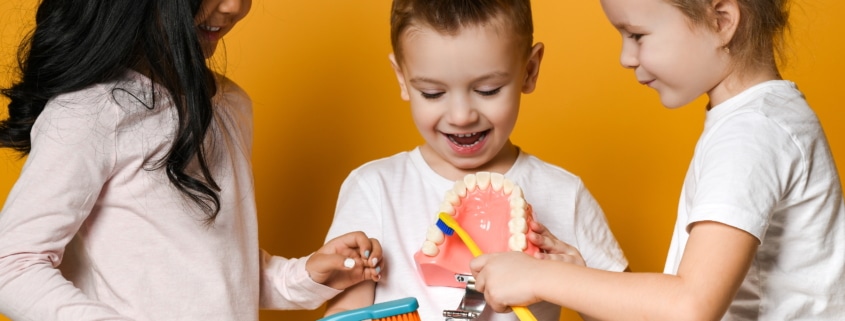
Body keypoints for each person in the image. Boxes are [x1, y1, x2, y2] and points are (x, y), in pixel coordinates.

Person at [0, 0, 383, 320]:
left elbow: (216, 275)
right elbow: (12, 266)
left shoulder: (229, 105)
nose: (233, 6)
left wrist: (303, 275)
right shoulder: (93, 111)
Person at [469, 0, 845, 319]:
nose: (625, 58)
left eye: (636, 35)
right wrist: (579, 279)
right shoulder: (761, 119)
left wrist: (539, 278)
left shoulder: (751, 133)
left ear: (722, 21)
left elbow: (691, 306)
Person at [322, 0, 628, 320]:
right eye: (432, 93)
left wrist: (579, 284)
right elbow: (347, 311)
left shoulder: (565, 194)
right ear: (402, 78)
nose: (461, 116)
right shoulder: (374, 190)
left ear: (529, 70)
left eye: (487, 89)